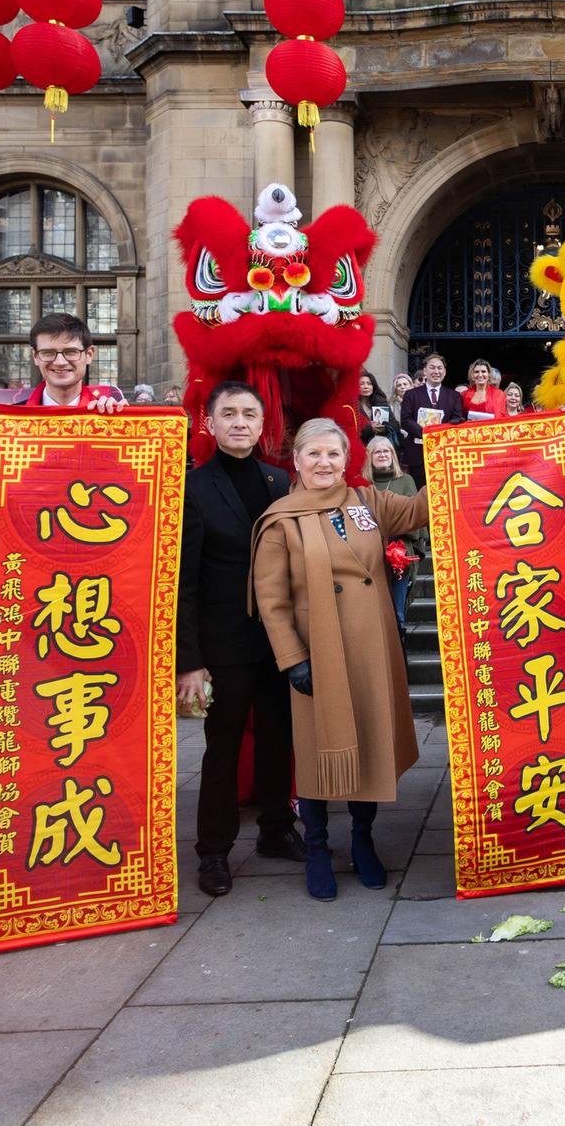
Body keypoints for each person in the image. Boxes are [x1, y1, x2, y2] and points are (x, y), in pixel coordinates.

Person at [253, 418, 432, 900]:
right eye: (314, 454)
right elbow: (271, 600)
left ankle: (362, 839)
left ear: (345, 459)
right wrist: (294, 659)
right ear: (297, 461)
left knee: (370, 743)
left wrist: (452, 456)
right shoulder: (280, 518)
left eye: (333, 454)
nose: (324, 463)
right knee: (318, 753)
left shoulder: (367, 501)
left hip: (371, 646)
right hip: (319, 651)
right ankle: (315, 846)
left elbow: (421, 509)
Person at [177, 381, 301, 899]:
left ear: (262, 423)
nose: (240, 423)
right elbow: (183, 581)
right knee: (221, 750)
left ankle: (276, 830)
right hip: (223, 644)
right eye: (228, 414)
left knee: (280, 741)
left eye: (250, 414)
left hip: (279, 641)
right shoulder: (192, 486)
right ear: (211, 422)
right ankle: (213, 852)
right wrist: (191, 661)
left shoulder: (280, 482)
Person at [365, 434, 425, 628]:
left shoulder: (406, 480)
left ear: (393, 455)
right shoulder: (362, 483)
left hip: (399, 554)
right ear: (369, 457)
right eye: (377, 452)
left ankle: (400, 654)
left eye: (386, 451)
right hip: (369, 556)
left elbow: (415, 518)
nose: (382, 455)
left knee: (397, 613)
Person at [25, 313, 124, 412]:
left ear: (89, 354)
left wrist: (123, 417)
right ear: (35, 357)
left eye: (71, 352)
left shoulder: (107, 415)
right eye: (48, 353)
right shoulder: (11, 419)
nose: (60, 362)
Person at [395, 353, 467, 485]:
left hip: (443, 453)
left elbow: (457, 419)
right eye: (432, 368)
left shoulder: (454, 396)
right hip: (417, 454)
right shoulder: (411, 394)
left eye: (440, 368)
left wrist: (440, 430)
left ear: (444, 372)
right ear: (425, 371)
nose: (436, 371)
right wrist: (424, 432)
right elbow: (405, 420)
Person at [460, 357, 508, 421]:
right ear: (472, 376)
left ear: (489, 375)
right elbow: (461, 416)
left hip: (492, 429)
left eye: (483, 371)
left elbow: (502, 417)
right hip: (471, 430)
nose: (480, 375)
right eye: (476, 372)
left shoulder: (499, 394)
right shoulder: (464, 394)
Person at [356, 372, 394, 442]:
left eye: (369, 384)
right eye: (362, 384)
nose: (366, 387)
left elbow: (394, 425)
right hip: (361, 444)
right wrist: (369, 429)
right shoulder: (352, 406)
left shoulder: (381, 403)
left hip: (381, 444)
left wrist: (383, 428)